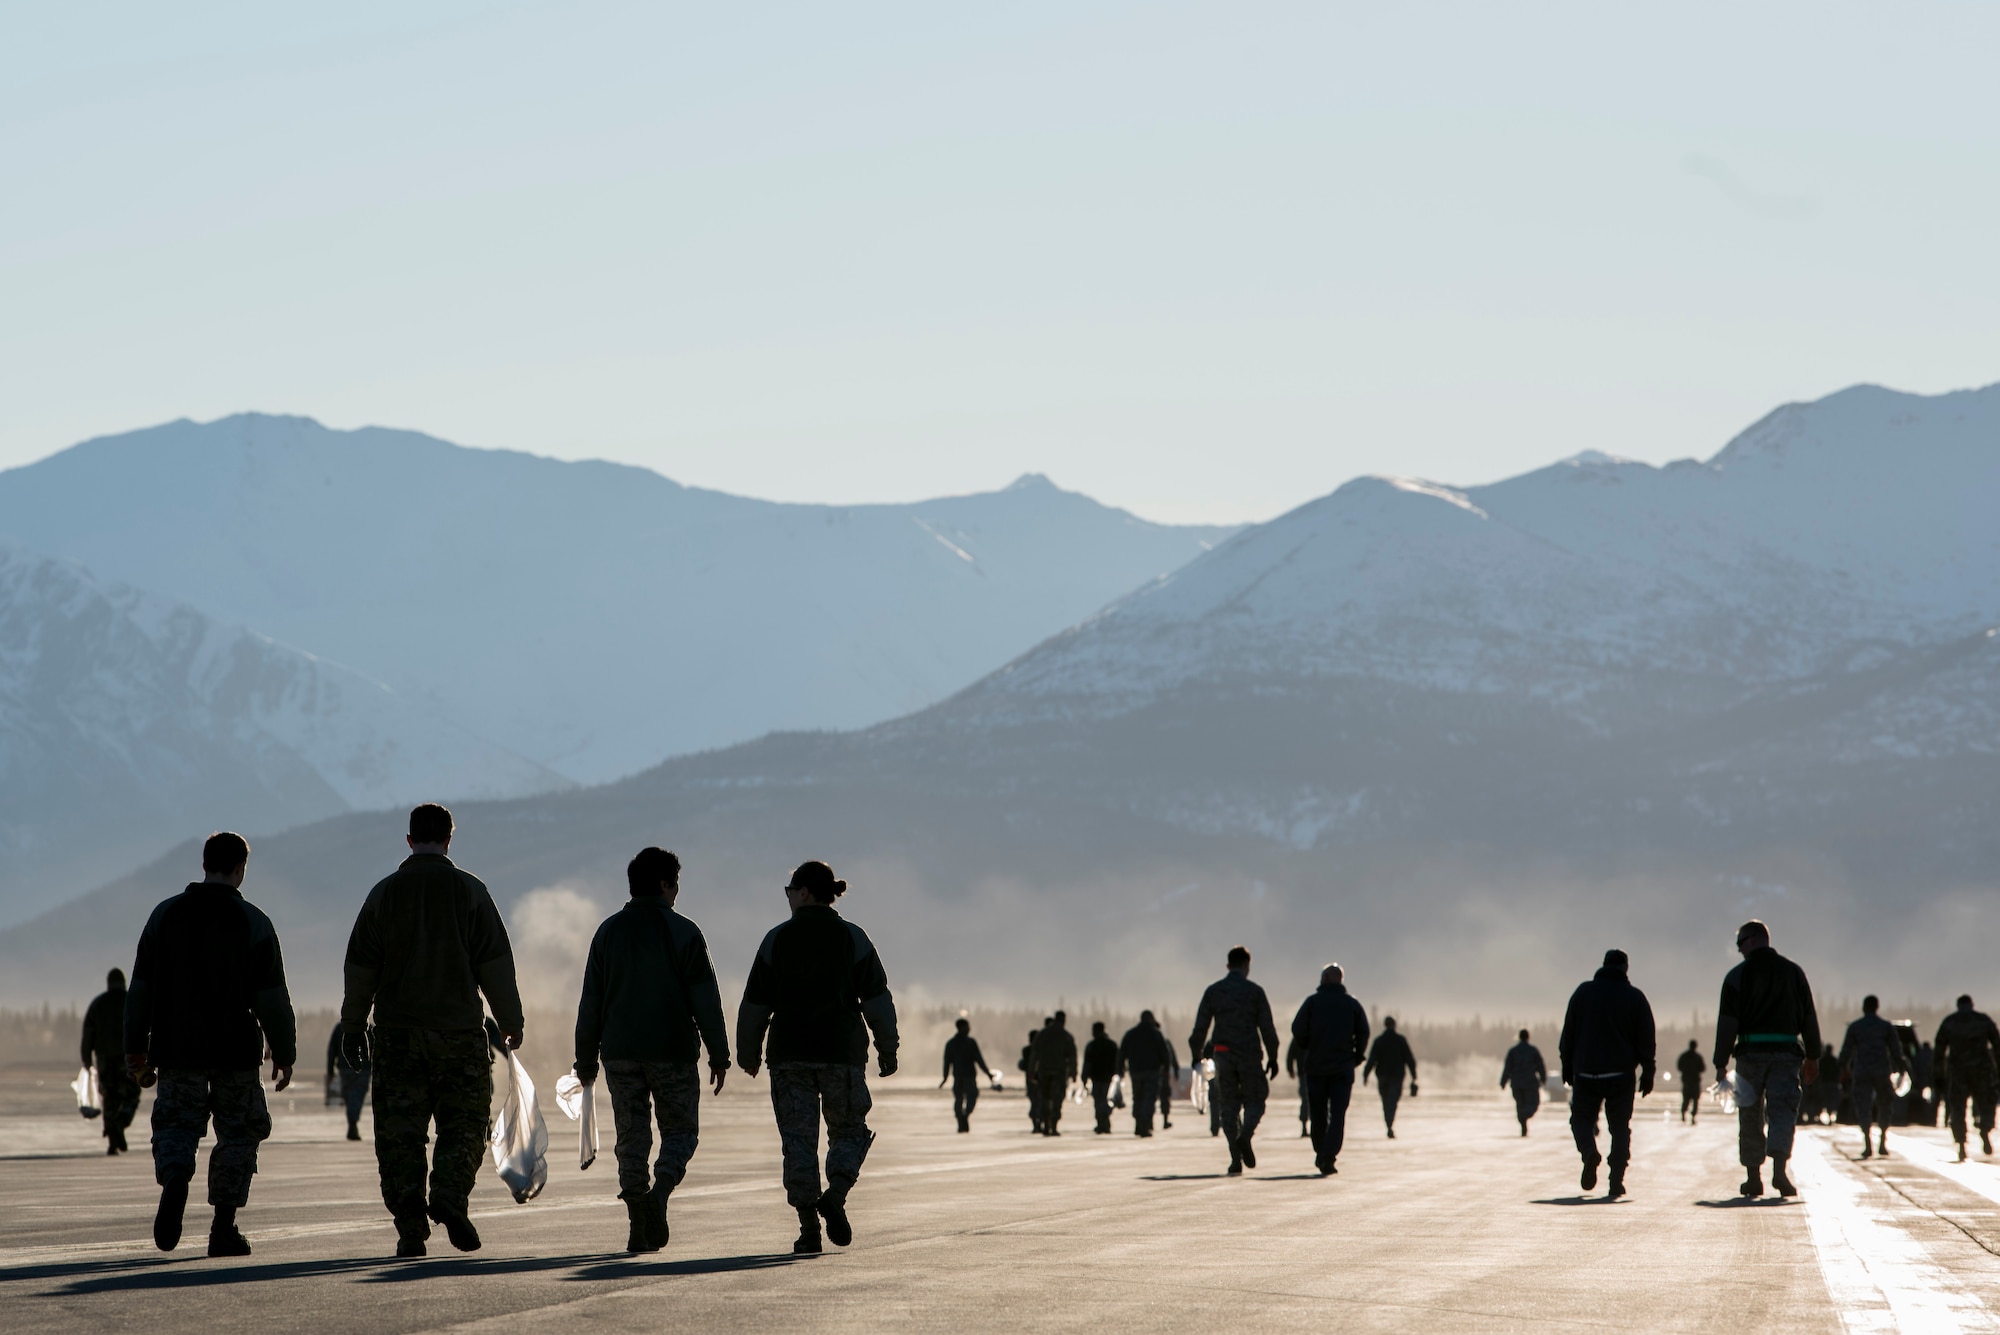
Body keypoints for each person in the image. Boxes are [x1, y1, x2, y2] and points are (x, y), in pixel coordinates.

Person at [340, 803, 524, 1258]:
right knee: (463, 1124)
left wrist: (353, 1026)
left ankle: (409, 1228)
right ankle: (449, 1194)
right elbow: (495, 963)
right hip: (458, 1034)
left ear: (408, 840)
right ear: (449, 839)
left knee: (400, 1135)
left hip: (397, 1035)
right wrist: (510, 1022)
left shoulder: (384, 894)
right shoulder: (470, 891)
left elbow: (362, 965)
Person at [124, 832, 295, 1257]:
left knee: (177, 1124)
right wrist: (284, 1050)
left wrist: (134, 1046)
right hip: (234, 1049)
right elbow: (271, 996)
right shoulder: (254, 922)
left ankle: (177, 1179)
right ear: (241, 869)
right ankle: (223, 1228)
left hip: (177, 1047)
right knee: (238, 1133)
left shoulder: (164, 916)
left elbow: (141, 989)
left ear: (203, 864)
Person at [574, 847, 731, 1253]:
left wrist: (585, 1060)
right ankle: (660, 1191)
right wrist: (718, 1053)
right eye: (675, 884)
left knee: (631, 1134)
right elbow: (705, 1000)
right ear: (665, 884)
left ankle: (636, 1217)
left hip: (620, 1052)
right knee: (679, 1131)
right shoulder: (684, 932)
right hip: (672, 1051)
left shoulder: (608, 932)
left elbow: (591, 1001)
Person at [736, 860, 898, 1255]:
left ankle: (809, 1229)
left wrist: (748, 1052)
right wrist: (887, 1047)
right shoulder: (854, 938)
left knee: (798, 1141)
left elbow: (756, 1002)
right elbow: (877, 998)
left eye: (790, 890)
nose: (788, 897)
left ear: (805, 892)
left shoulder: (777, 939)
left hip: (790, 1057)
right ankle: (836, 1195)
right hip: (841, 1054)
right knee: (849, 1131)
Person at [1712, 919, 1820, 1199]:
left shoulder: (1737, 976)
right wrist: (1813, 1056)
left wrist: (1720, 1062)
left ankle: (1753, 1178)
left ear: (1752, 940)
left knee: (1750, 1112)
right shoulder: (1793, 973)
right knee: (1783, 1111)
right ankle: (1779, 1172)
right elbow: (1808, 1015)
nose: (1739, 950)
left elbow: (1727, 1023)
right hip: (1786, 1055)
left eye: (1740, 944)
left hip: (1749, 1056)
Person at [1558, 949, 1656, 1199]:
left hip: (1586, 1073)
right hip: (1621, 1075)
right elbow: (1646, 1038)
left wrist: (1567, 1066)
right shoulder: (1635, 997)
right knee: (1620, 1128)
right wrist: (1648, 1070)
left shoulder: (1582, 993)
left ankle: (1589, 1152)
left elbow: (1568, 1034)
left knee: (1580, 1120)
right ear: (1625, 968)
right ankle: (1616, 1180)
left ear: (1603, 965)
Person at [1188, 945, 1281, 1176]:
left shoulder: (1214, 991)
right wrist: (1273, 1056)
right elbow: (1267, 1028)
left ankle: (1234, 1157)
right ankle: (1246, 1135)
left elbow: (1200, 1028)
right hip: (1249, 1055)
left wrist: (1196, 1055)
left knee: (1228, 1105)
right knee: (1256, 1099)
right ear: (1247, 965)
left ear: (1228, 966)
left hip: (1224, 1054)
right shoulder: (1255, 992)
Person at [1291, 963, 1369, 1176]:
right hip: (1342, 1069)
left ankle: (1320, 1150)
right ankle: (1329, 1155)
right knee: (1337, 1115)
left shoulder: (1312, 1003)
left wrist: (1308, 1045)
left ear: (1324, 979)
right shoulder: (1352, 1004)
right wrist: (1357, 1055)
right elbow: (1364, 1031)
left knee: (1317, 1112)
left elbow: (1297, 1029)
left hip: (1316, 1067)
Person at [1838, 996, 1909, 1160]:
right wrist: (1901, 1068)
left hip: (1862, 1070)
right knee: (1885, 1105)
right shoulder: (1885, 1027)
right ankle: (1882, 1141)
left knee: (1863, 1107)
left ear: (1864, 1008)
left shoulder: (1856, 1027)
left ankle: (1867, 1143)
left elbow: (1846, 1050)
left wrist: (1843, 1068)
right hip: (1882, 1070)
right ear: (1877, 1007)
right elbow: (1896, 1050)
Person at [1933, 995, 2000, 1163]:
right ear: (1971, 1005)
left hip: (1958, 1072)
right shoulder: (1983, 1021)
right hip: (1981, 1071)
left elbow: (1939, 1051)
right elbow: (1997, 1046)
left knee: (1957, 1108)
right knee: (1986, 1104)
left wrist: (1938, 1075)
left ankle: (1961, 1144)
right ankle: (1985, 1129)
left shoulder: (1950, 1022)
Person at [81, 968, 139, 1155]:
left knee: (109, 1098)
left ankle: (113, 1137)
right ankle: (120, 1123)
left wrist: (86, 1060)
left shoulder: (98, 1005)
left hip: (104, 1059)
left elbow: (88, 1033)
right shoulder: (131, 1001)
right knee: (131, 1094)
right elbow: (144, 1027)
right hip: (128, 1057)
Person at [1119, 1010, 1173, 1137]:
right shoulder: (1156, 1034)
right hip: (1152, 1072)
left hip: (1136, 1072)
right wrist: (1166, 1068)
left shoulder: (1131, 1034)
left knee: (1137, 1098)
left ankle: (1139, 1124)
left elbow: (1122, 1053)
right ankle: (1144, 1124)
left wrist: (1120, 1069)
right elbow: (1164, 1053)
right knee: (1149, 1099)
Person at [1362, 1016, 1418, 1139]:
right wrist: (1414, 1076)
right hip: (1396, 1076)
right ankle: (1389, 1125)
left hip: (1382, 1076)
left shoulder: (1379, 1041)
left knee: (1386, 1101)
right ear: (1394, 1025)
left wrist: (1365, 1075)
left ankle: (1388, 1124)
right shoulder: (1400, 1040)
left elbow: (1371, 1060)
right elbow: (1409, 1059)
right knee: (1393, 1101)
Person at [1030, 1012, 1078, 1136]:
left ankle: (1046, 1125)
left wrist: (1031, 1071)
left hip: (1044, 1072)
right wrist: (1073, 1072)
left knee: (1045, 1099)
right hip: (1059, 1073)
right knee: (1057, 1100)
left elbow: (1034, 1055)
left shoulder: (1042, 1034)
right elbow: (1072, 1056)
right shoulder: (1066, 1036)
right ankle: (1054, 1126)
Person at [940, 1018, 992, 1133]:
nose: (969, 1029)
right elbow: (979, 1060)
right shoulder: (970, 1042)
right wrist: (988, 1074)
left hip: (958, 1077)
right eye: (967, 1026)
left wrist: (945, 1077)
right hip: (968, 1077)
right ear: (963, 1027)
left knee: (959, 1099)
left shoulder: (951, 1043)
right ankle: (965, 1115)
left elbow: (947, 1062)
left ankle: (961, 1119)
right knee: (972, 1096)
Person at [325, 1020, 371, 1140]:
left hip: (345, 1068)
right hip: (362, 1069)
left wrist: (330, 1070)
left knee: (350, 1095)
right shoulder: (368, 1029)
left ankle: (352, 1122)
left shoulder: (340, 1028)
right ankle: (353, 1122)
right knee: (357, 1095)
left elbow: (332, 1050)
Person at [1501, 1030, 1548, 1136]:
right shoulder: (1533, 1051)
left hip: (1517, 1084)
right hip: (1530, 1084)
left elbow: (1507, 1068)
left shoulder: (1513, 1051)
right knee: (1533, 1104)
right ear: (1528, 1037)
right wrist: (1543, 1078)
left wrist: (1503, 1081)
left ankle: (1523, 1121)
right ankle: (1525, 1118)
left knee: (1520, 1105)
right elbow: (1540, 1065)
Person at [1081, 1022, 1120, 1134]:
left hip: (1097, 1078)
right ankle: (1104, 1122)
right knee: (1106, 1101)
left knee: (1099, 1101)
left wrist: (1084, 1078)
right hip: (1109, 1078)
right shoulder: (1111, 1045)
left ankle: (1102, 1123)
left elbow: (1087, 1063)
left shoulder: (1092, 1045)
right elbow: (1118, 1061)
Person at [1675, 1041, 1705, 1125]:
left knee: (1688, 1100)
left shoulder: (1685, 1056)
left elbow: (1679, 1066)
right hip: (1692, 1082)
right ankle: (1689, 1116)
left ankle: (1685, 1115)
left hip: (1689, 1081)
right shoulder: (1697, 1057)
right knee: (1692, 1100)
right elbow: (1702, 1068)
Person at [1020, 1027, 1043, 1132]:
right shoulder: (1039, 1050)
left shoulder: (1027, 1051)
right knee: (1039, 1102)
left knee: (1035, 1103)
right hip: (1039, 1080)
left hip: (1033, 1080)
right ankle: (1038, 1124)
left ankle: (1036, 1124)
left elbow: (1024, 1065)